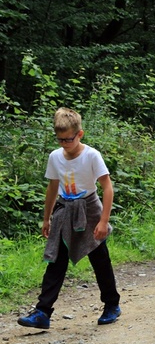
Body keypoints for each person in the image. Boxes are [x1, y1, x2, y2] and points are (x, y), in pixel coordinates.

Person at [18, 107, 121, 329]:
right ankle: (43, 312)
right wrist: (47, 219)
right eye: (60, 139)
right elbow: (53, 187)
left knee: (99, 259)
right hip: (64, 210)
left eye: (69, 139)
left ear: (80, 134)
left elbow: (107, 188)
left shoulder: (92, 155)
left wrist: (103, 221)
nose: (64, 143)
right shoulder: (55, 157)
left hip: (89, 209)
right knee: (56, 260)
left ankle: (112, 305)